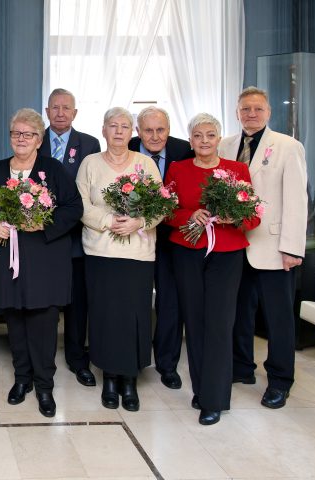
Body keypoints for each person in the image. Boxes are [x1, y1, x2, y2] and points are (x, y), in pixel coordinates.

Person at [0, 108, 83, 417]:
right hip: (7, 259)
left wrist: (44, 225)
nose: (21, 139)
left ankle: (44, 385)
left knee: (44, 323)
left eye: (28, 134)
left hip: (46, 260)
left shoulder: (53, 170)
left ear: (39, 139)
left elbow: (73, 208)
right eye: (16, 133)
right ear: (10, 137)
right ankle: (22, 379)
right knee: (15, 322)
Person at [165, 113, 260, 425]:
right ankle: (202, 388)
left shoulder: (237, 169)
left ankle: (214, 400)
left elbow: (254, 215)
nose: (203, 141)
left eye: (209, 135)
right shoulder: (178, 169)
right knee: (194, 321)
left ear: (219, 139)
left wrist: (236, 218)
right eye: (197, 136)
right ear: (190, 140)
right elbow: (168, 212)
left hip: (226, 254)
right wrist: (189, 216)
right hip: (187, 252)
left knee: (219, 323)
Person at [219, 87, 308, 409]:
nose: (251, 114)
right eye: (245, 109)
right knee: (238, 312)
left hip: (273, 246)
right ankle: (242, 367)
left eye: (257, 109)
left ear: (268, 112)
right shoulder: (225, 145)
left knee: (278, 317)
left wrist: (292, 248)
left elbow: (298, 200)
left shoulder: (287, 146)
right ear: (237, 112)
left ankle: (281, 380)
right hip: (234, 244)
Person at [76, 107, 161, 412]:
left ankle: (130, 379)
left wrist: (140, 222)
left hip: (138, 254)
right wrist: (109, 220)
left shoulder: (145, 164)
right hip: (101, 252)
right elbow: (81, 205)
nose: (119, 131)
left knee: (135, 315)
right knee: (105, 315)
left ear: (132, 132)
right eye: (114, 126)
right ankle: (110, 378)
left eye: (125, 126)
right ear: (104, 130)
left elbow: (160, 205)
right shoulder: (90, 164)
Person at [38, 88, 100, 387]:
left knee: (77, 302)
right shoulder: (34, 141)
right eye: (55, 108)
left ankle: (77, 358)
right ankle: (42, 358)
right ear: (47, 111)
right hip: (41, 236)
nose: (60, 113)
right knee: (45, 299)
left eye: (66, 108)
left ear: (75, 113)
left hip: (77, 236)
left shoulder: (89, 144)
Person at [128, 106, 193, 390]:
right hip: (133, 238)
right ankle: (132, 358)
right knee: (133, 300)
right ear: (138, 131)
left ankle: (167, 365)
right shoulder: (124, 146)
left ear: (168, 129)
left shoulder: (183, 150)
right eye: (148, 130)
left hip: (172, 239)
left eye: (161, 130)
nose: (154, 136)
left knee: (169, 302)